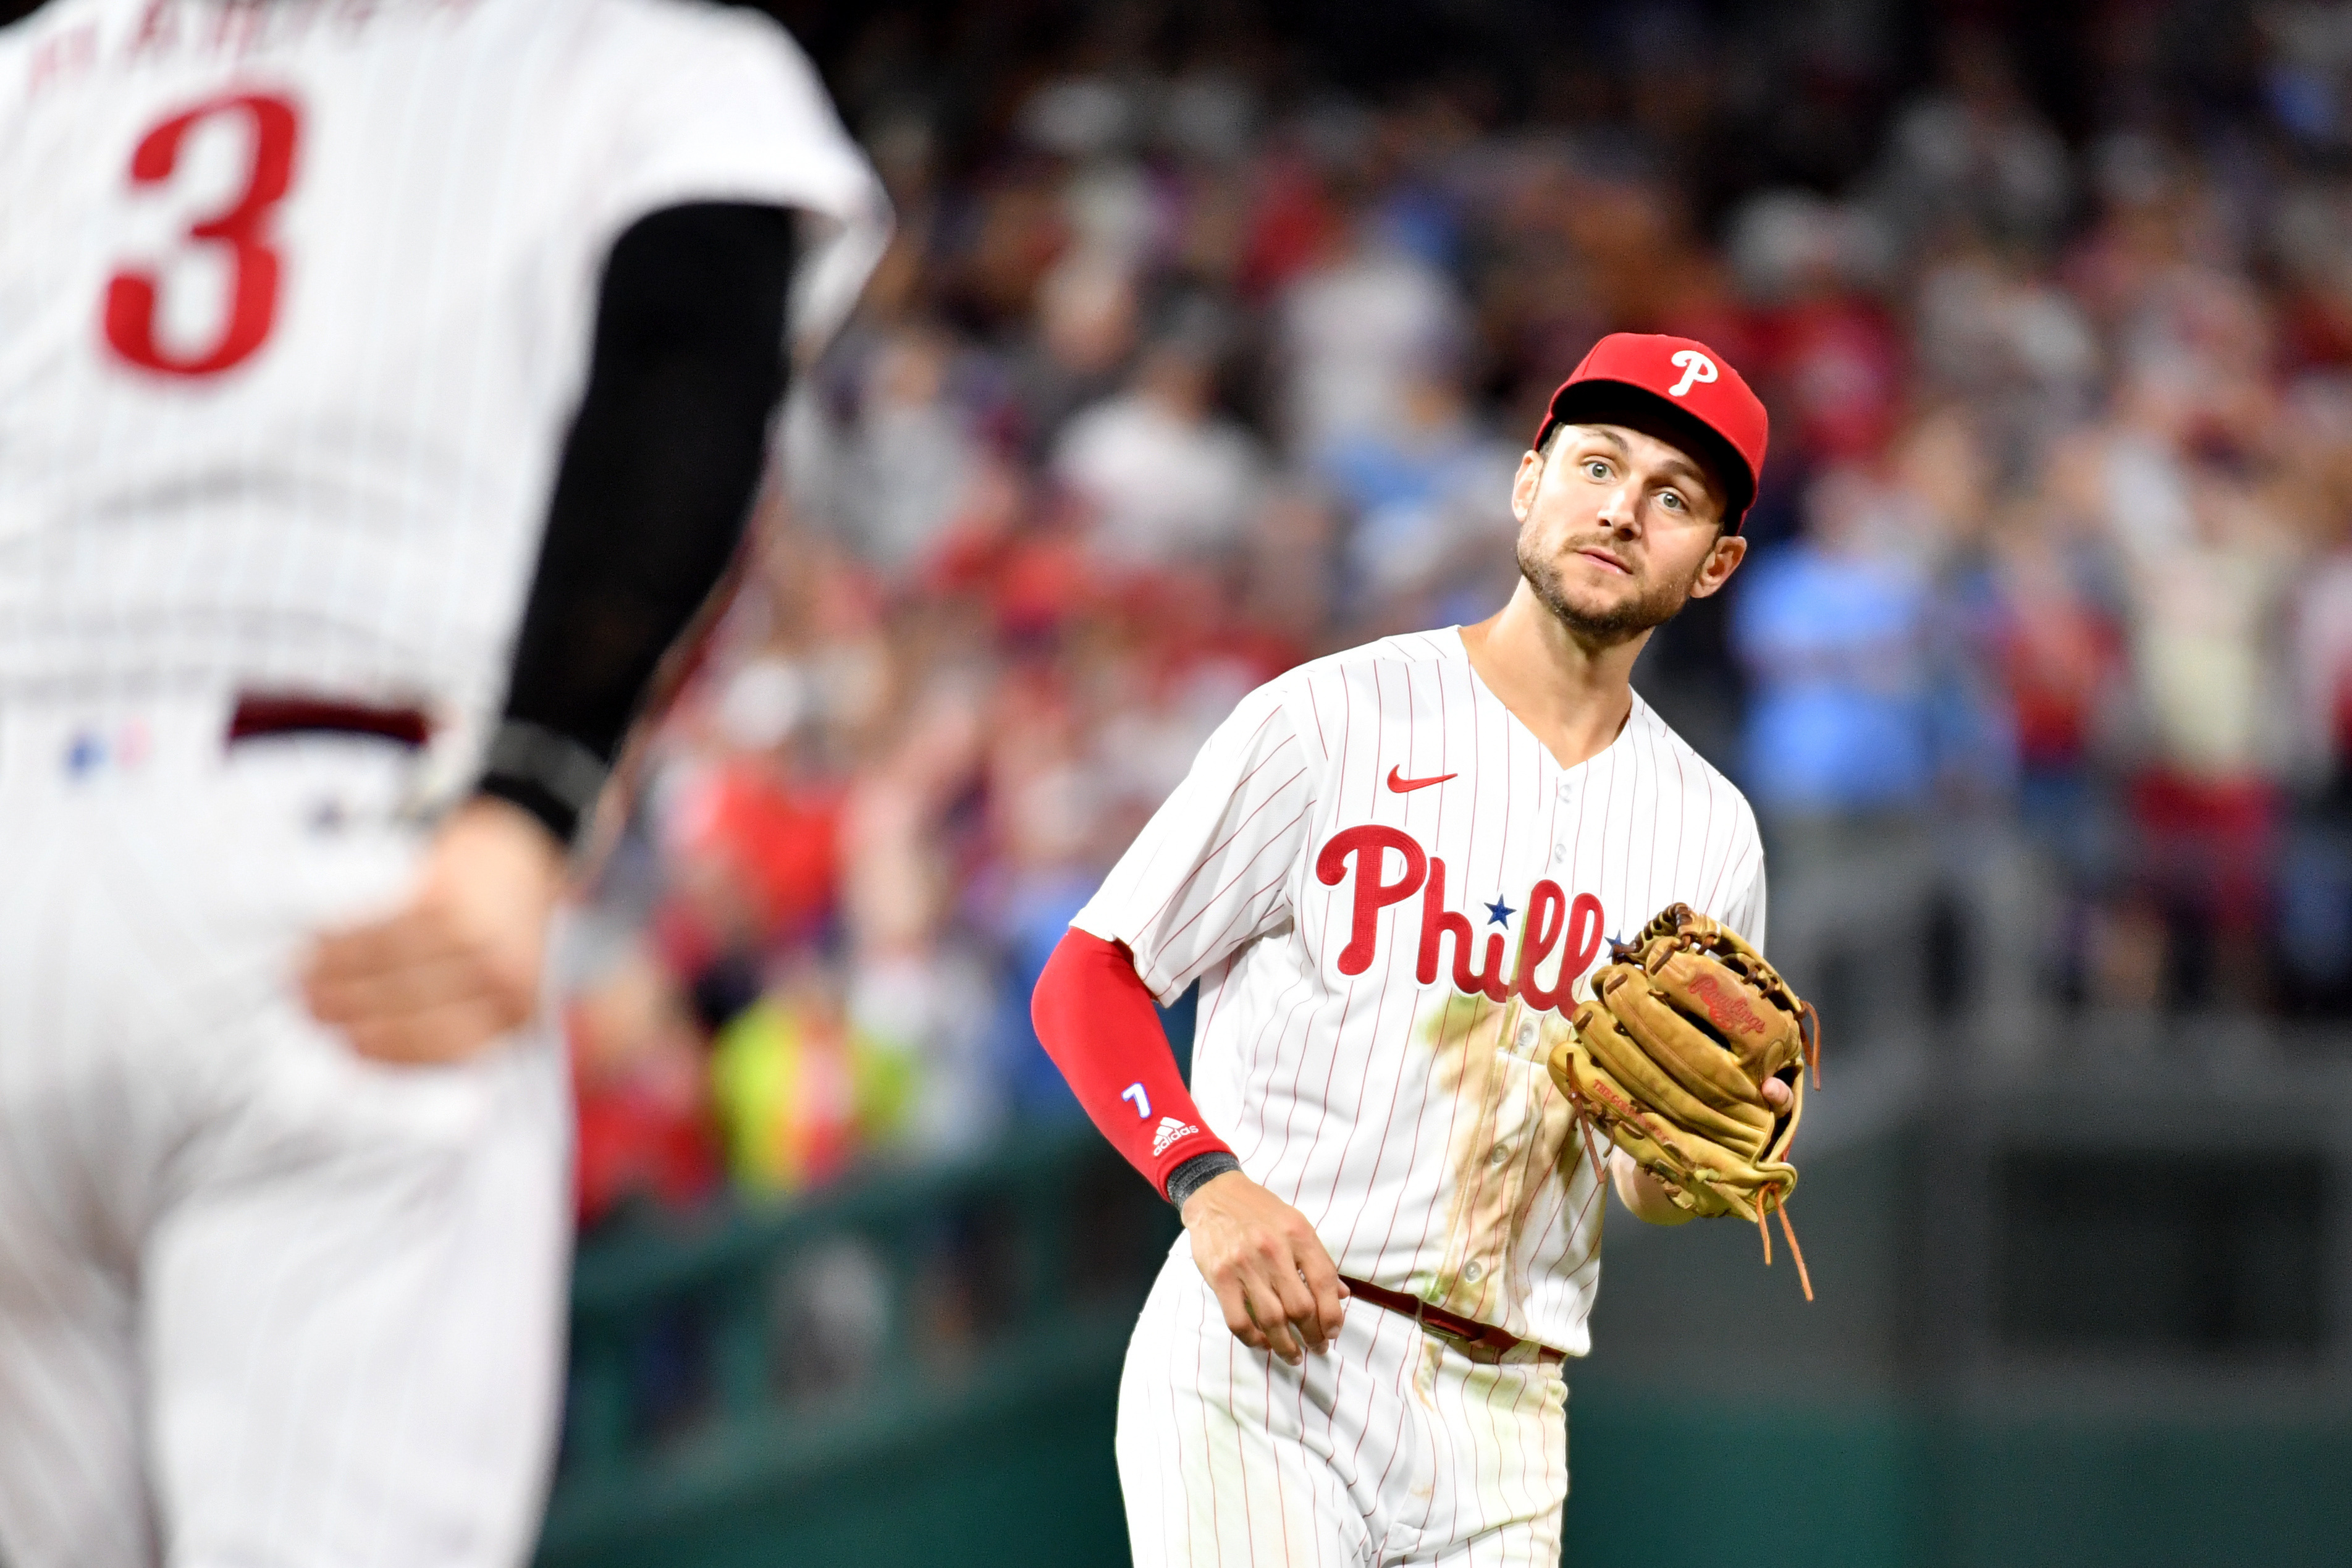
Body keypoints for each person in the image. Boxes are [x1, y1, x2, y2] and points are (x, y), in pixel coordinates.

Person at [0, 2, 884, 1565]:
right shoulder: (628, 50)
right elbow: (693, 346)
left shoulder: (43, 66)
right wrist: (533, 791)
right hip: (327, 861)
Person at [1032, 332, 1777, 1563]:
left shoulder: (1708, 833)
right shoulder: (1329, 720)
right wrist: (1201, 1181)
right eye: (1596, 466)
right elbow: (1091, 975)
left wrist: (1685, 1164)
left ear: (1715, 564)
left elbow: (1640, 1175)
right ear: (1525, 481)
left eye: (1672, 497)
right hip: (1264, 1365)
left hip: (1508, 1412)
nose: (1621, 511)